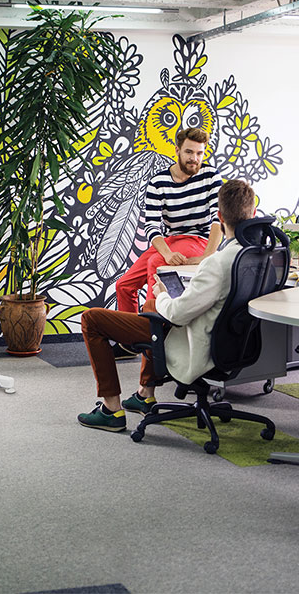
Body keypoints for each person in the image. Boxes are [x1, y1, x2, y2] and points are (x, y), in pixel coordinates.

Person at [77, 179, 256, 431]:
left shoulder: (216, 263)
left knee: (92, 319)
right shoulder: (257, 255)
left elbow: (178, 314)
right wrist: (158, 300)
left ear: (219, 216)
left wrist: (162, 293)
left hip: (195, 343)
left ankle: (111, 410)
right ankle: (144, 394)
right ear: (253, 213)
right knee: (150, 305)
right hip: (233, 344)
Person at [113, 127, 223, 357]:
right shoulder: (158, 182)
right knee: (124, 285)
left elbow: (217, 220)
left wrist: (207, 256)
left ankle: (155, 339)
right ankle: (132, 340)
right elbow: (152, 226)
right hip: (171, 241)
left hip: (198, 239)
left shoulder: (211, 177)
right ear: (177, 150)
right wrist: (166, 253)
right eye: (189, 152)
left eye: (200, 153)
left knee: (155, 263)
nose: (195, 159)